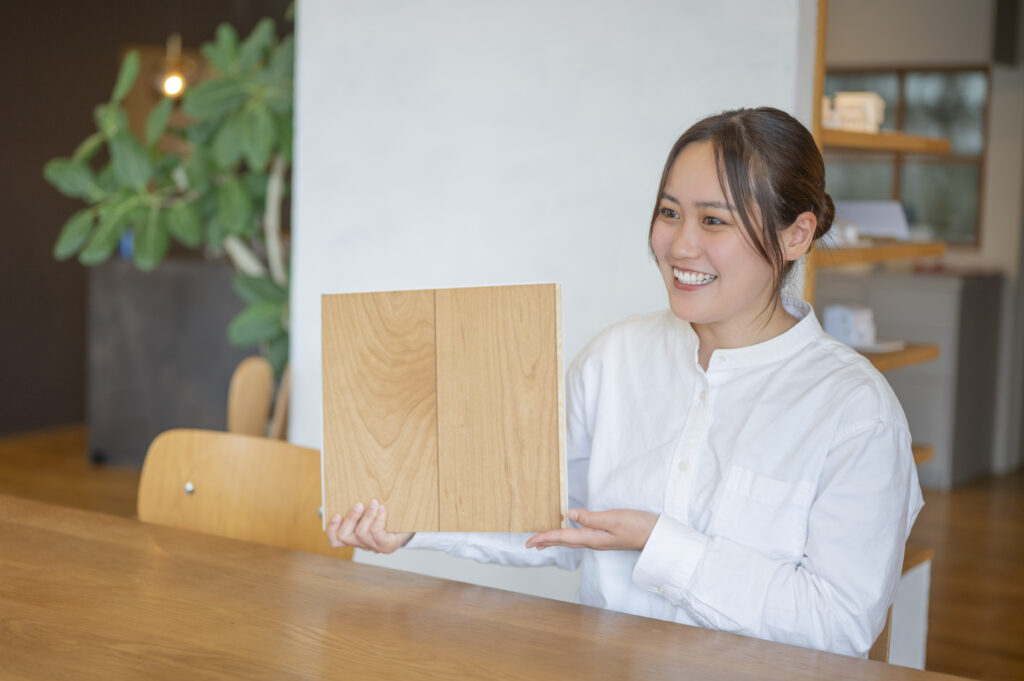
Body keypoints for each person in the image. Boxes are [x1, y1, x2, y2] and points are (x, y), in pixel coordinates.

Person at [326, 107, 924, 658]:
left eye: (713, 220)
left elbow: (839, 624)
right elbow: (552, 516)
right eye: (669, 212)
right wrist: (412, 521)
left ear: (796, 235)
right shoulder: (616, 357)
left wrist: (661, 543)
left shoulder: (855, 412)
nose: (679, 244)